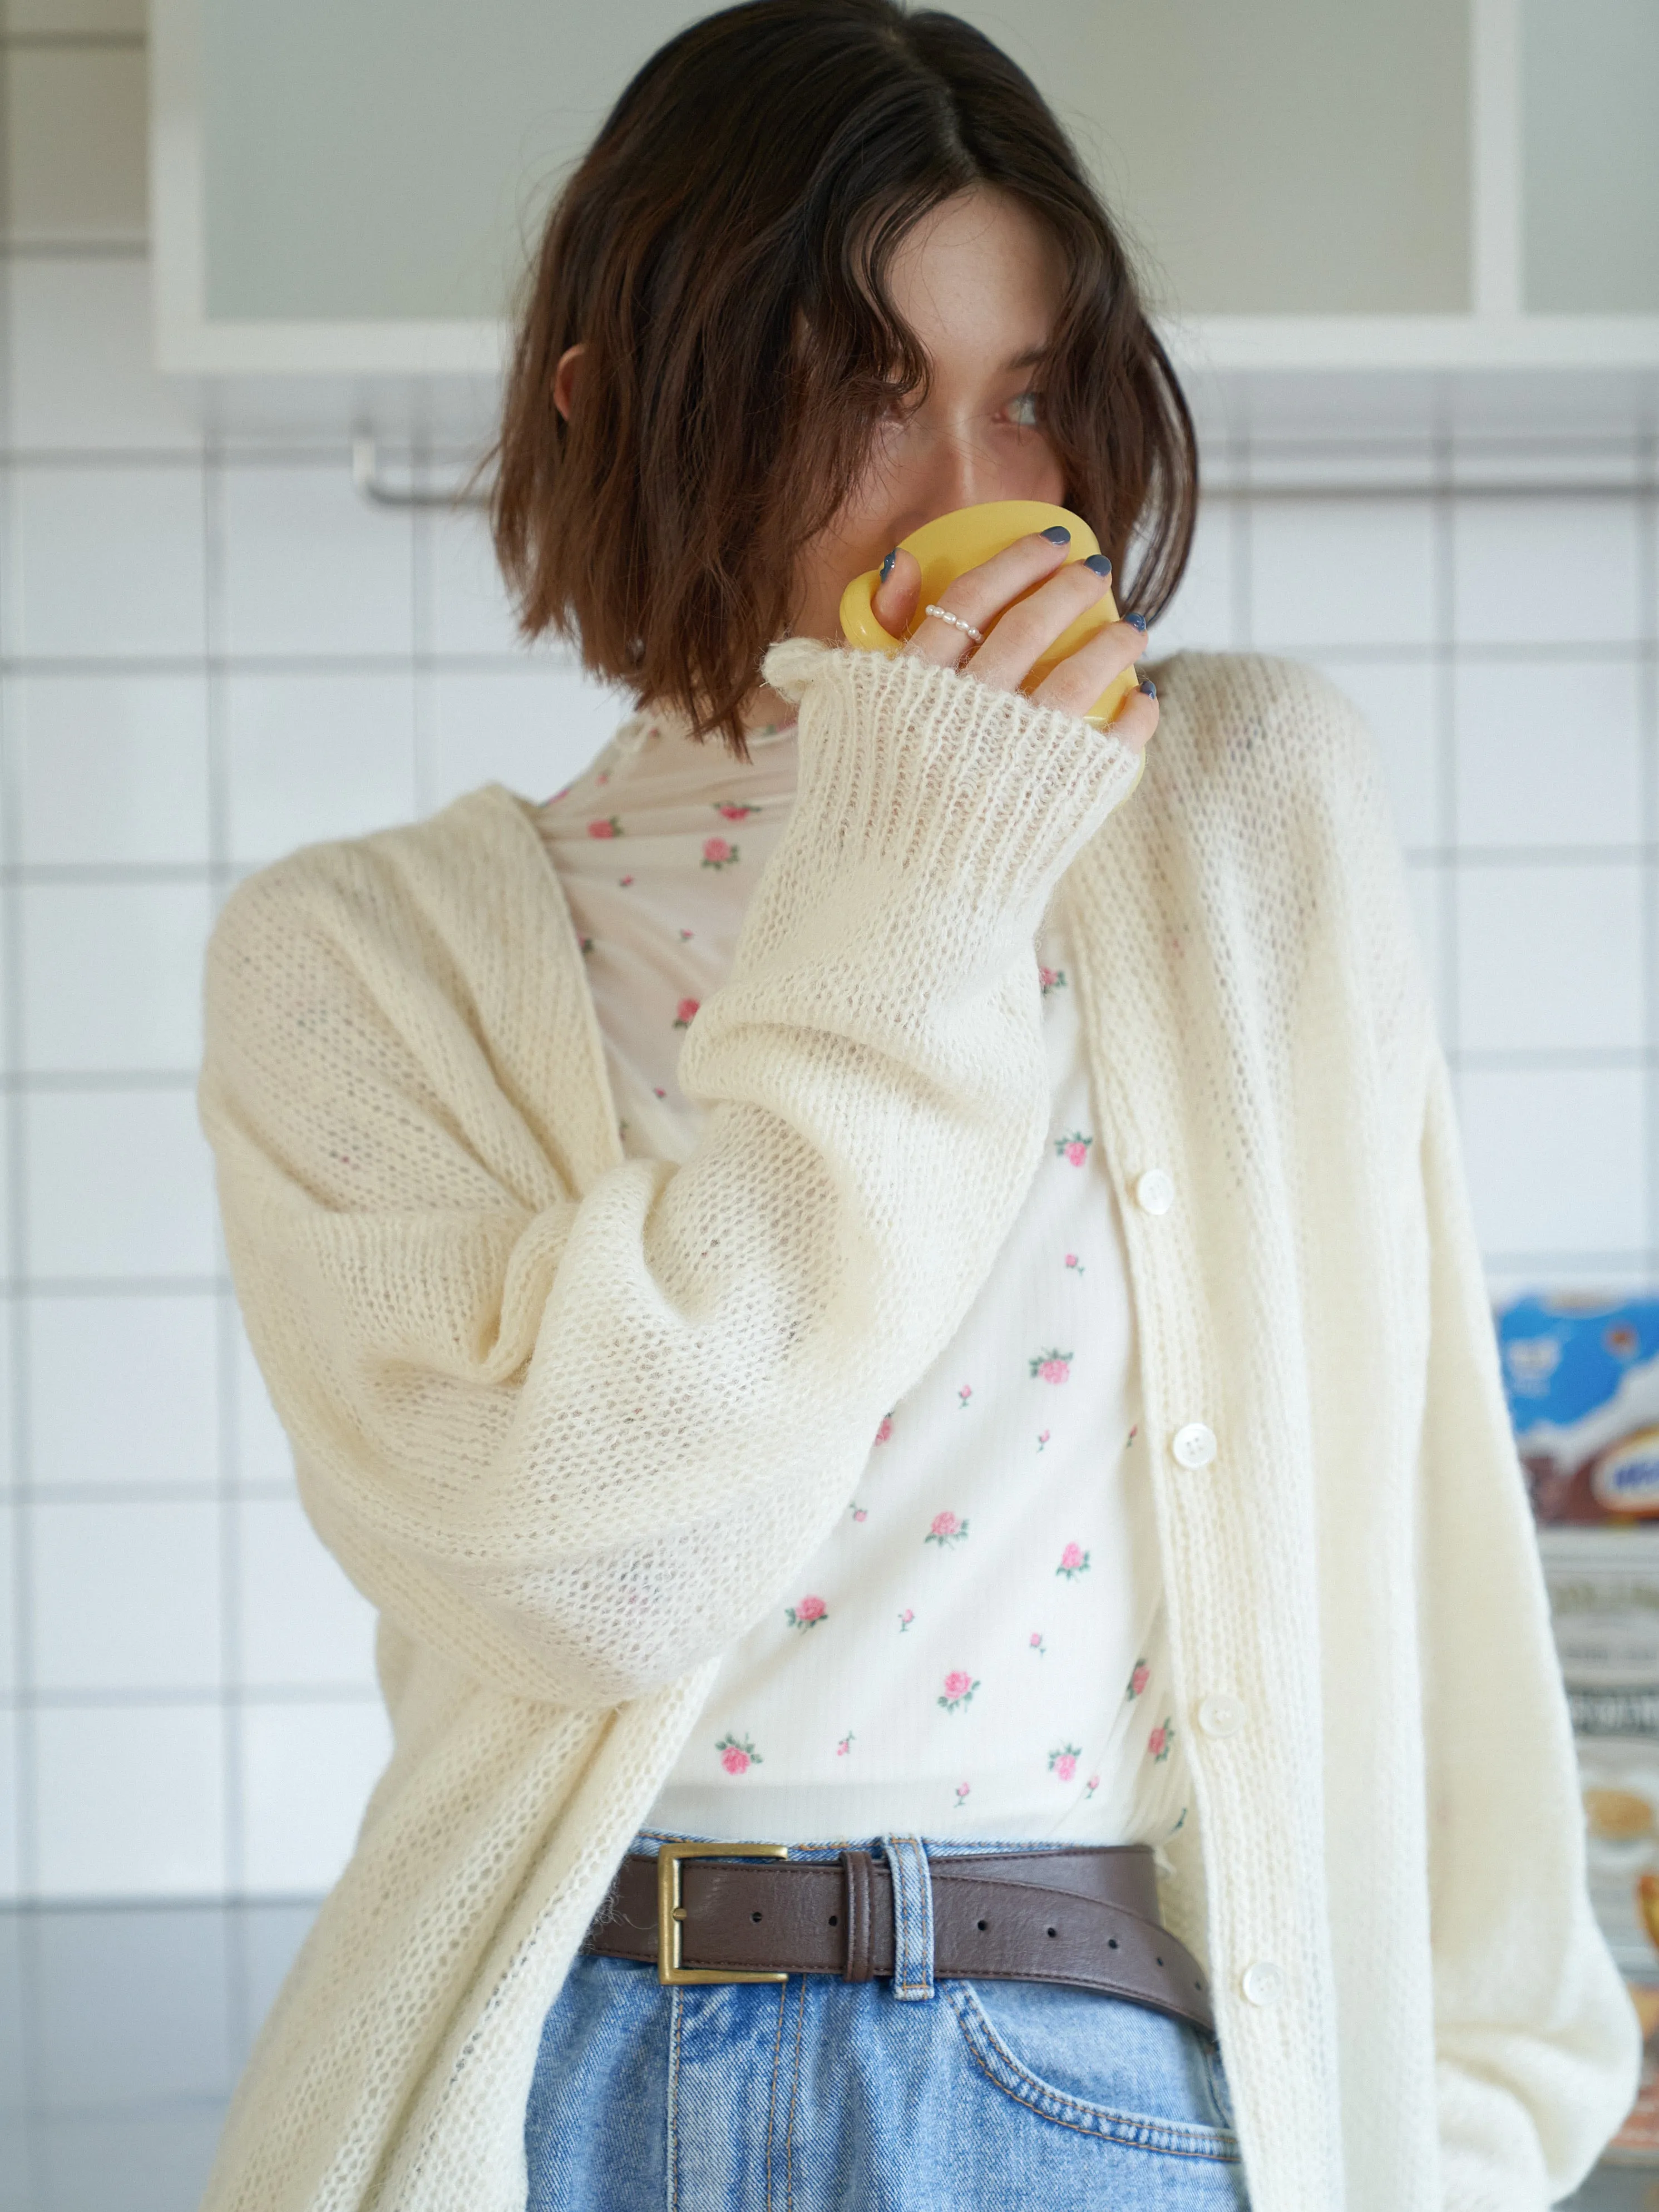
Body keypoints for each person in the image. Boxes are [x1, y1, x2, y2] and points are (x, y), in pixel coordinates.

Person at [194, 4, 1638, 2208]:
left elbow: (1416, 1497)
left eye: (1027, 392)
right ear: (625, 405)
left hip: (1102, 2084)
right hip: (572, 2085)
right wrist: (907, 882)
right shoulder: (359, 959)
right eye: (862, 396)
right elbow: (582, 1569)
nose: (978, 499)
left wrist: (1453, 2100)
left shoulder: (1238, 816)